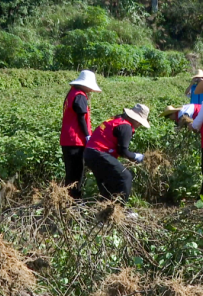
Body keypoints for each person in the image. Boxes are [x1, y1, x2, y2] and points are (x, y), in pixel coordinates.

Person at [84, 104, 150, 207]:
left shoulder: (116, 119)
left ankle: (105, 210)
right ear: (136, 120)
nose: (139, 125)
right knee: (125, 177)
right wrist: (137, 157)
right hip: (99, 154)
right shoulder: (126, 127)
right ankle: (120, 209)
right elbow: (123, 151)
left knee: (108, 183)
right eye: (140, 123)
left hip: (90, 153)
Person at [61, 70, 101, 199]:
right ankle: (74, 202)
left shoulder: (72, 94)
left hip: (67, 139)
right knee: (76, 174)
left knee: (71, 173)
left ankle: (68, 200)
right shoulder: (79, 96)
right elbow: (81, 118)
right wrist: (87, 135)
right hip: (75, 140)